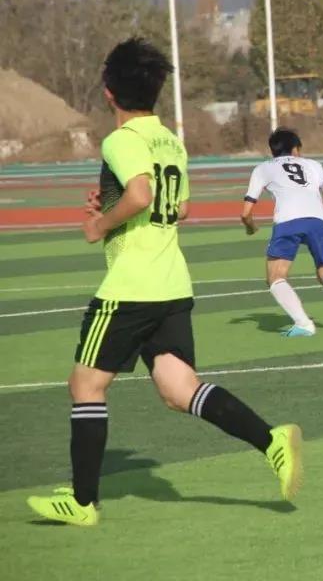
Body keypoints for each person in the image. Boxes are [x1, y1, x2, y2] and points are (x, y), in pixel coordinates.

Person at [27, 38, 302, 527]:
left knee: (85, 384)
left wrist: (100, 224)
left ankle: (83, 502)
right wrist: (114, 203)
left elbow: (140, 194)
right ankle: (271, 440)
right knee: (179, 389)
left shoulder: (120, 140)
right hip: (172, 284)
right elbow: (180, 207)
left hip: (131, 287)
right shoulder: (170, 141)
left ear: (108, 92)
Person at [241, 128, 323, 337]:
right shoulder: (313, 164)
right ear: (296, 149)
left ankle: (304, 323)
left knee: (275, 277)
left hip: (288, 220)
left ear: (273, 150)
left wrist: (251, 228)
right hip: (320, 220)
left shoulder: (263, 168)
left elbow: (246, 213)